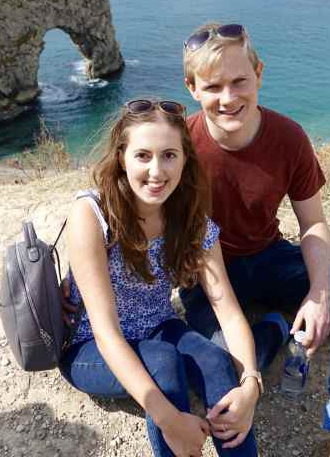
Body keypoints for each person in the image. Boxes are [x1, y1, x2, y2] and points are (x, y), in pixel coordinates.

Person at [179, 23, 330, 456]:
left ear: (259, 73)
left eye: (239, 81)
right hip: (205, 274)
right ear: (192, 88)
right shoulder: (179, 145)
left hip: (269, 255)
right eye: (213, 86)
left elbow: (313, 223)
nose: (228, 97)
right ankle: (272, 332)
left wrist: (319, 291)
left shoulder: (289, 137)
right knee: (221, 365)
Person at [59, 98, 282, 457]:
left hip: (159, 324)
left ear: (185, 160)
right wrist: (169, 420)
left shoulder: (193, 224)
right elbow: (106, 332)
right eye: (143, 155)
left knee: (213, 360)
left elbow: (228, 311)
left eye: (169, 155)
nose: (156, 171)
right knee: (164, 361)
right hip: (89, 346)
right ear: (122, 157)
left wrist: (251, 386)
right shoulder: (92, 214)